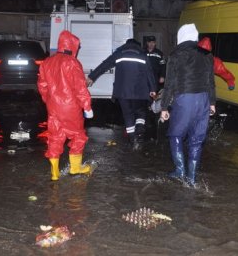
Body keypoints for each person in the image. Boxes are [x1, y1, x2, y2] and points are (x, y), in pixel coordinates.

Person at [160, 23, 216, 186]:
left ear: (181, 36)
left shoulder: (175, 55)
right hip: (204, 99)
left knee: (175, 134)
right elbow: (210, 81)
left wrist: (164, 107)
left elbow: (169, 84)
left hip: (185, 99)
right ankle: (191, 177)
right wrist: (212, 103)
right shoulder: (207, 55)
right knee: (197, 138)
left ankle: (180, 170)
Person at [37, 30, 93, 181]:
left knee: (55, 136)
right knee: (77, 136)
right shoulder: (73, 63)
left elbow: (42, 86)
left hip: (53, 107)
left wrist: (48, 100)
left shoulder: (47, 62)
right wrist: (87, 107)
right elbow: (80, 87)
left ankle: (54, 172)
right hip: (71, 107)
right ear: (73, 46)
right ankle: (75, 168)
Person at [86, 39, 157, 151]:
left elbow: (105, 64)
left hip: (123, 92)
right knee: (140, 113)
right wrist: (153, 89)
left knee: (128, 115)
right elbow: (150, 73)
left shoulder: (119, 54)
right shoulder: (143, 56)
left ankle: (133, 139)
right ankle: (139, 133)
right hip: (140, 92)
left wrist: (92, 76)